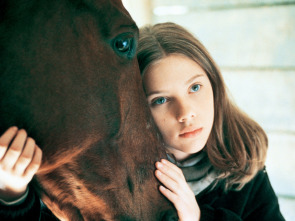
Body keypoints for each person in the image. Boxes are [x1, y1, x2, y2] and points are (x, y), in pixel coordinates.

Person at [0, 22, 285, 220]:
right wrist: (11, 195)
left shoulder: (243, 165)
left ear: (215, 86)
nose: (185, 113)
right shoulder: (110, 177)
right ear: (135, 110)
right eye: (160, 100)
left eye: (195, 88)